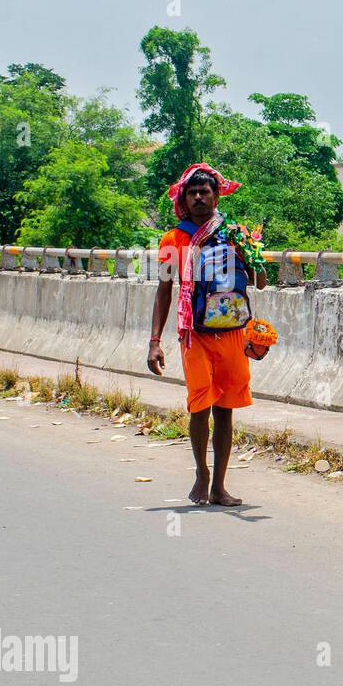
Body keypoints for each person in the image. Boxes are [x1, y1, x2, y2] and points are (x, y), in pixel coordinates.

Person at [146, 163, 269, 506]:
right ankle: (202, 473)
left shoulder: (233, 232)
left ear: (216, 196)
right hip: (194, 332)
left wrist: (250, 252)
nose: (199, 197)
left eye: (205, 192)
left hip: (232, 331)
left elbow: (260, 281)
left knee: (225, 409)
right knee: (199, 406)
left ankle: (220, 487)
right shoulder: (173, 239)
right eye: (193, 193)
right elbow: (165, 288)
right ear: (184, 199)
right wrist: (155, 341)